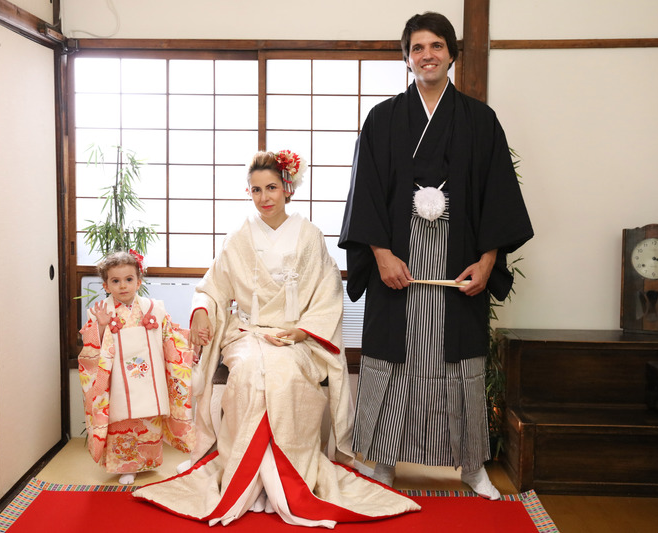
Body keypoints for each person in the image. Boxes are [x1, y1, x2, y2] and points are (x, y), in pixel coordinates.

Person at [133, 151, 419, 526]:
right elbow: (213, 286)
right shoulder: (239, 236)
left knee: (285, 376)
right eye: (256, 190)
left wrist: (302, 331)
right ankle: (249, 480)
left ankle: (286, 480)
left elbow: (328, 293)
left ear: (287, 188)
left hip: (297, 334)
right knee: (250, 373)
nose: (264, 197)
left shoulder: (310, 235)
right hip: (247, 332)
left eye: (271, 188)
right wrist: (202, 310)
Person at [338, 12, 534, 499]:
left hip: (460, 261)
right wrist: (380, 254)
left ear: (451, 54)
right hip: (396, 262)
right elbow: (366, 193)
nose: (427, 55)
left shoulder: (480, 120)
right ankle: (384, 462)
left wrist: (487, 261)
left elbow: (497, 196)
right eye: (417, 47)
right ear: (406, 58)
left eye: (437, 45)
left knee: (459, 364)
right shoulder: (383, 119)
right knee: (393, 360)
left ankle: (470, 465)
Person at [78, 249, 194, 485]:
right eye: (115, 281)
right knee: (122, 423)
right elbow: (91, 348)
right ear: (106, 285)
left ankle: (146, 464)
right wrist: (101, 326)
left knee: (148, 422)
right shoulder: (100, 312)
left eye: (129, 279)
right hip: (118, 382)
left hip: (150, 379)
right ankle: (126, 467)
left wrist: (193, 339)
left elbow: (171, 337)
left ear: (139, 281)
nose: (123, 285)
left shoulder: (154, 309)